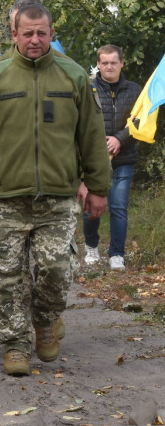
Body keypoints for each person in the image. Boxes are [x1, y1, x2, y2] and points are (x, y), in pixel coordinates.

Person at [0, 0, 110, 376]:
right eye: (28, 34)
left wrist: (98, 186)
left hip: (57, 199)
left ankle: (45, 322)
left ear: (52, 34)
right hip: (7, 198)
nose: (36, 40)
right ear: (14, 34)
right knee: (5, 278)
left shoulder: (73, 76)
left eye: (42, 33)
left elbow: (91, 135)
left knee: (57, 271)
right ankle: (14, 345)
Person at [83, 44, 141, 270]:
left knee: (118, 206)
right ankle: (91, 247)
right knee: (91, 206)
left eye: (113, 62)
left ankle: (117, 254)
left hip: (123, 158)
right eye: (104, 62)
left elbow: (139, 121)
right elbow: (81, 121)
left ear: (121, 64)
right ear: (98, 64)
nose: (109, 66)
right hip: (94, 159)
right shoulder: (88, 89)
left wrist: (119, 139)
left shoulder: (135, 91)